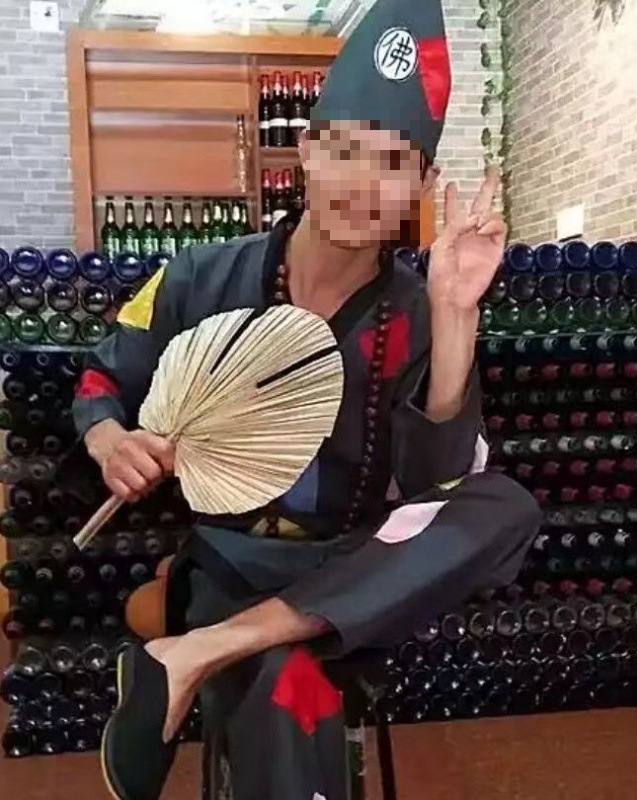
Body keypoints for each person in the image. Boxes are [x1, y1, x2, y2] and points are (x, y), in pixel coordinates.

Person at [72, 0, 541, 798]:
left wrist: (456, 315)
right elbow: (100, 382)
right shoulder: (200, 275)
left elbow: (437, 486)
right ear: (307, 151)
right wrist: (111, 441)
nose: (363, 185)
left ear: (422, 183)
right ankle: (221, 644)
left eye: (393, 163)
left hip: (357, 569)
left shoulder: (419, 308)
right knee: (288, 686)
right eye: (346, 152)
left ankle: (195, 655)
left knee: (506, 506)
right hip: (230, 566)